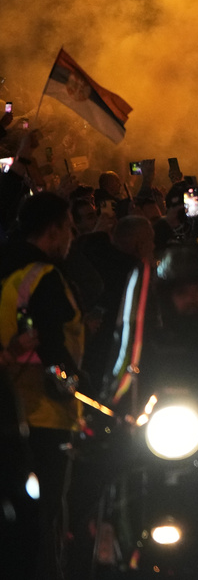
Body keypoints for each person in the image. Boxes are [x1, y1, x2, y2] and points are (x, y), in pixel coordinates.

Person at [0, 192, 84, 579]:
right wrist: (71, 388)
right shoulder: (45, 277)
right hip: (43, 414)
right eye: (69, 227)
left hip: (7, 412)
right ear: (53, 230)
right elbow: (54, 348)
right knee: (44, 521)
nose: (73, 234)